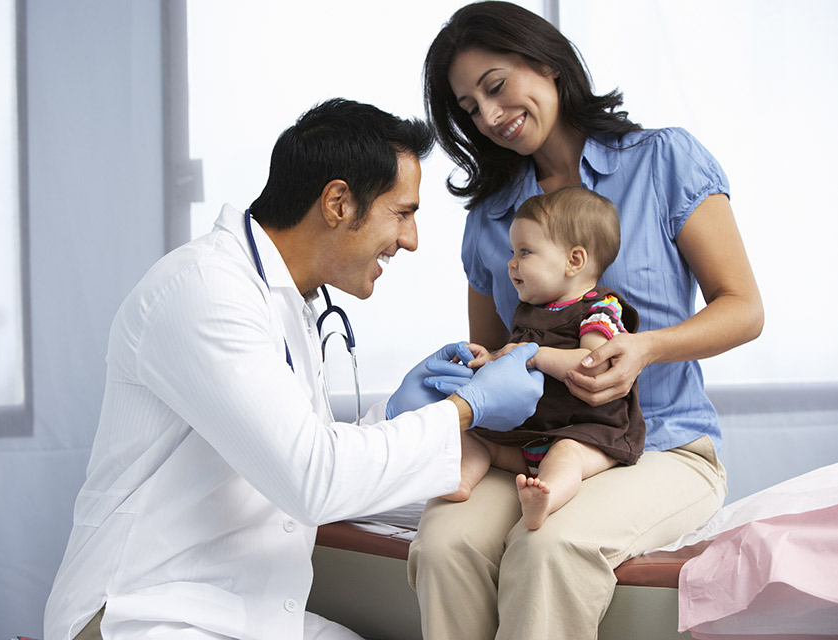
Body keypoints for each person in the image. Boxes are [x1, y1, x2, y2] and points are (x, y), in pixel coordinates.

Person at [43, 97, 545, 640]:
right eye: (401, 213)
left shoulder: (288, 302)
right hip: (145, 616)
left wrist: (396, 415)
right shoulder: (204, 290)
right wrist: (464, 410)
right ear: (337, 203)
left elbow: (300, 452)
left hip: (245, 617)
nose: (411, 240)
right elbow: (312, 479)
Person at [407, 3, 764, 639]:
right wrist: (465, 380)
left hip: (663, 445)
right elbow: (494, 361)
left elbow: (743, 307)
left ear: (546, 62)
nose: (489, 117)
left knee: (550, 549)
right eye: (469, 108)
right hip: (532, 447)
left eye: (495, 87)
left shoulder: (664, 161)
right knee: (442, 544)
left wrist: (646, 348)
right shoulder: (490, 220)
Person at [434, 186, 645, 532]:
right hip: (528, 434)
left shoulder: (600, 309)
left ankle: (545, 499)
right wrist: (491, 358)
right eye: (512, 252)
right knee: (470, 434)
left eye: (525, 252)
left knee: (566, 458)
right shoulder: (530, 313)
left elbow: (595, 361)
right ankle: (463, 479)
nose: (511, 263)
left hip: (587, 431)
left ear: (573, 260)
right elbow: (516, 358)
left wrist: (537, 355)